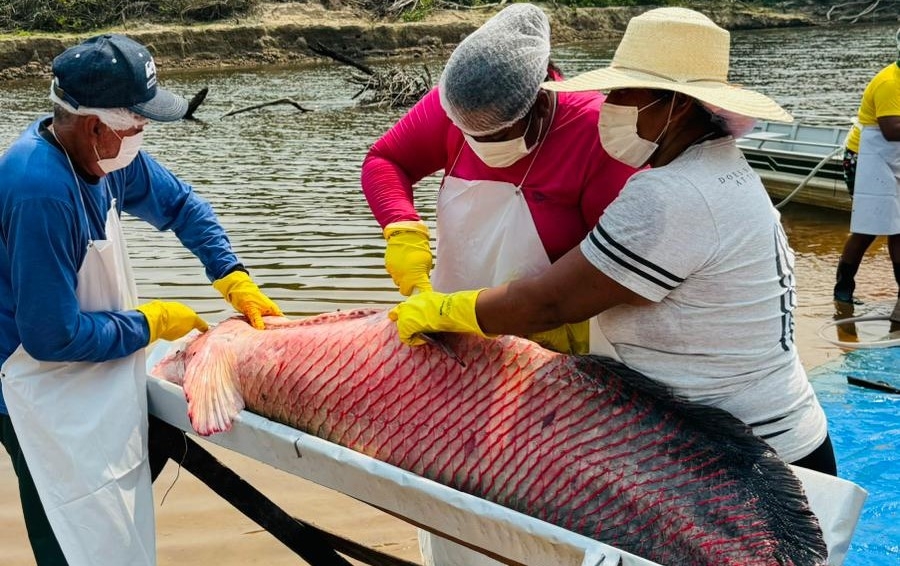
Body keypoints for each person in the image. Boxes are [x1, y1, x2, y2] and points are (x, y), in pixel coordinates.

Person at [389, 7, 838, 478]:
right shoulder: (719, 169)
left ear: (678, 104)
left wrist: (441, 310)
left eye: (625, 91)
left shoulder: (669, 193)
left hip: (750, 457)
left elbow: (549, 302)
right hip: (782, 430)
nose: (609, 103)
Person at [0, 34, 282, 565]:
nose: (143, 133)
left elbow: (181, 205)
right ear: (94, 124)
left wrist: (232, 275)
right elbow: (49, 337)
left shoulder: (106, 157)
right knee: (71, 530)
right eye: (137, 122)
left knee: (115, 522)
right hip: (31, 390)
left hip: (85, 365)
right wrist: (149, 322)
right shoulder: (40, 190)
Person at [361, 3, 637, 358]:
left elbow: (616, 269)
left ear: (539, 102)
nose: (476, 145)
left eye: (493, 136)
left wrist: (559, 325)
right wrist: (402, 228)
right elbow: (385, 160)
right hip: (449, 329)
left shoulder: (596, 134)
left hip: (553, 342)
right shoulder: (457, 106)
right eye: (468, 133)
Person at [833, 27, 900, 325]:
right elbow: (891, 129)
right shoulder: (890, 82)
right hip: (865, 159)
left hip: (892, 158)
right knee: (869, 228)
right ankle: (843, 290)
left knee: (898, 226)